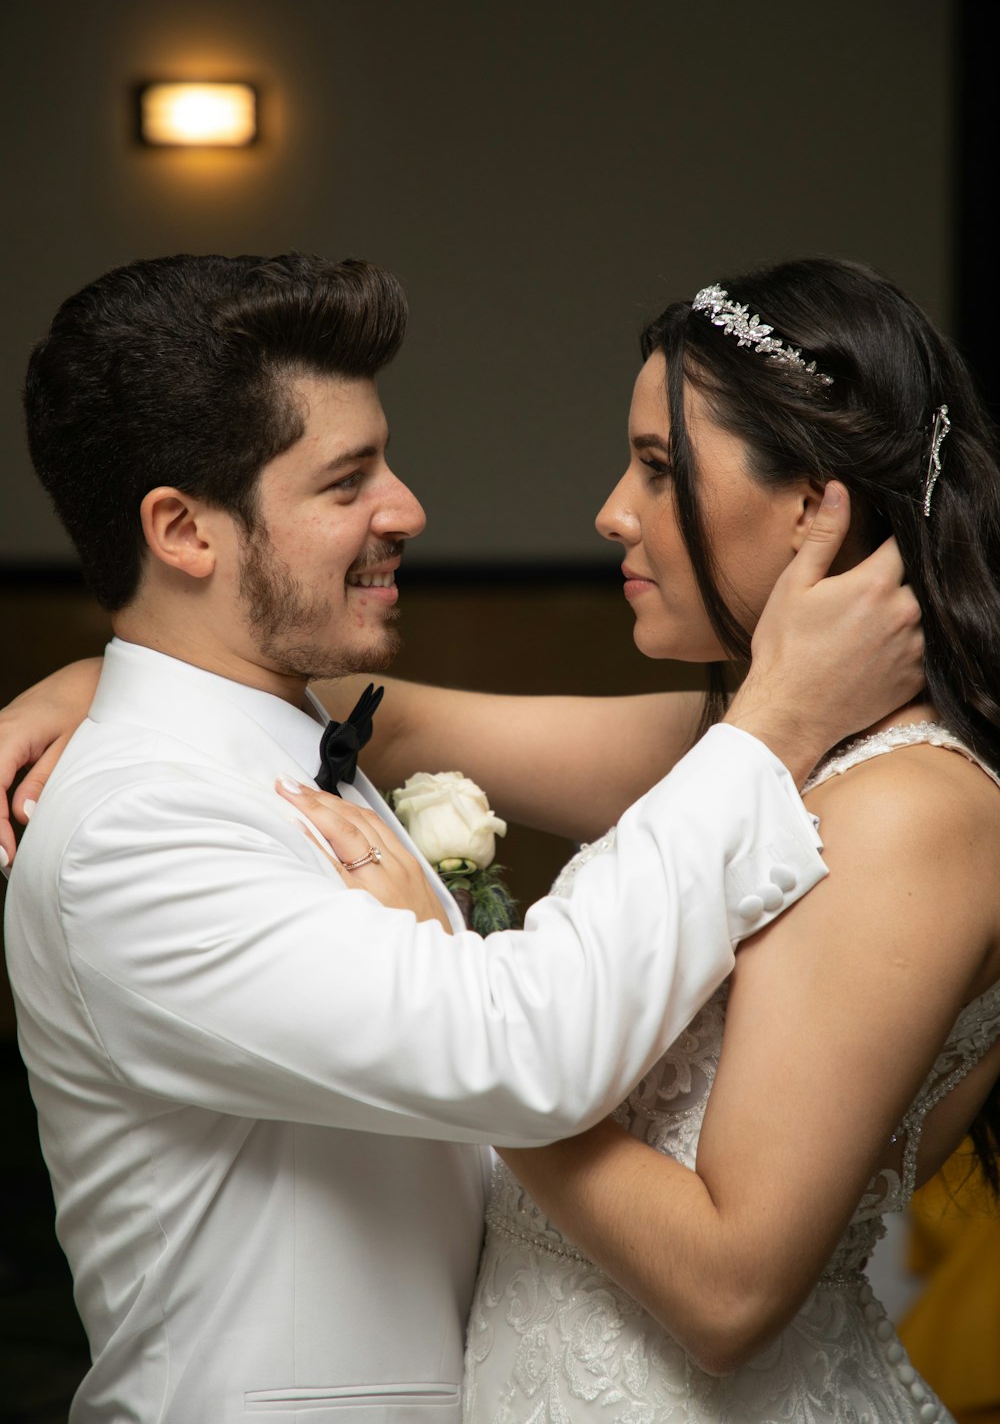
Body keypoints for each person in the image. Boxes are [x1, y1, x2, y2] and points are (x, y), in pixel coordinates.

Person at [0, 252, 921, 1424]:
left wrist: (106, 677)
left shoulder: (280, 734)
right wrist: (778, 716)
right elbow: (524, 1055)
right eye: (347, 482)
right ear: (183, 532)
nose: (408, 509)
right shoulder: (136, 829)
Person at [280, 257, 998, 1424]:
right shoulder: (744, 749)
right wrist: (108, 691)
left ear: (817, 509)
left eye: (660, 470)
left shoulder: (909, 814)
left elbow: (728, 1291)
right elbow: (388, 714)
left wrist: (464, 1021)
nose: (612, 510)